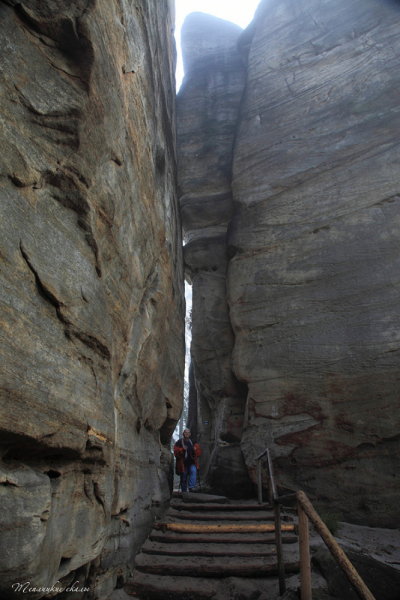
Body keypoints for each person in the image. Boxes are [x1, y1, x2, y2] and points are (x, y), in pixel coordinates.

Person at [174, 428, 201, 492]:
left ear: (190, 434)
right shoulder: (179, 443)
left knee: (193, 471)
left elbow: (199, 453)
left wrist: (195, 450)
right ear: (183, 434)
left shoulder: (193, 443)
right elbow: (176, 453)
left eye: (188, 433)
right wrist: (182, 450)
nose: (187, 434)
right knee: (184, 476)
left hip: (191, 462)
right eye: (186, 432)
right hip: (183, 463)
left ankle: (191, 487)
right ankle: (184, 491)